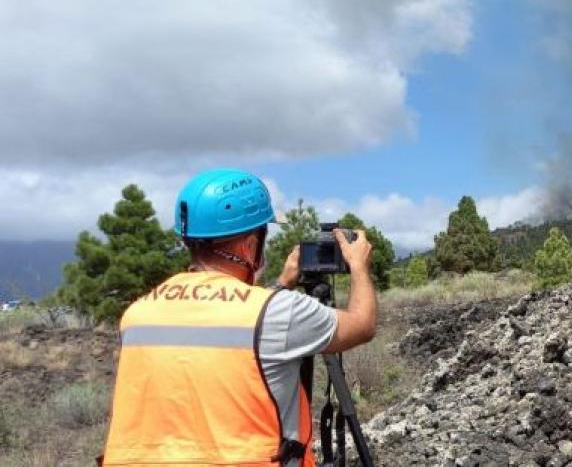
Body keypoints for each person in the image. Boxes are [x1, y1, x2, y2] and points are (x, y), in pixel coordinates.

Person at [99, 168, 377, 467]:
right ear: (250, 245)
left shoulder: (138, 313)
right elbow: (362, 324)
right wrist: (358, 265)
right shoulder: (278, 311)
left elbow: (224, 317)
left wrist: (281, 285)